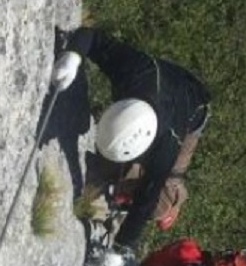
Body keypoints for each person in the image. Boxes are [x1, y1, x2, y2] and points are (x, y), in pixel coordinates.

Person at [51, 27, 210, 251]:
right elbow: (93, 36)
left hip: (193, 109)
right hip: (162, 79)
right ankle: (122, 183)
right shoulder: (133, 71)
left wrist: (122, 246)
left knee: (164, 194)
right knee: (114, 169)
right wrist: (72, 57)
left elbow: (147, 198)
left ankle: (174, 199)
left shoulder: (168, 144)